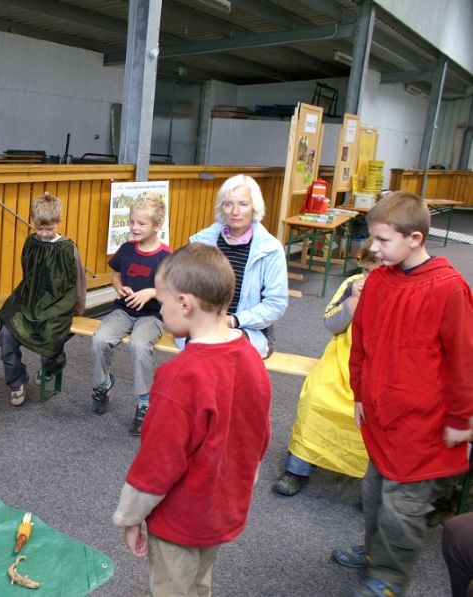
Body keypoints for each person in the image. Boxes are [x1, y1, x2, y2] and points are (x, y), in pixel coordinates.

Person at [332, 191, 473, 597]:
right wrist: (359, 393)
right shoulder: (377, 281)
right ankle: (377, 554)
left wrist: (461, 420)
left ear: (414, 238)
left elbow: (464, 361)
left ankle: (390, 578)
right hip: (381, 417)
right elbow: (362, 344)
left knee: (402, 508)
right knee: (374, 495)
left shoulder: (449, 289)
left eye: (382, 240)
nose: (372, 248)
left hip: (424, 425)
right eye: (372, 239)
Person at [112, 243, 271, 596]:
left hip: (180, 519)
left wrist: (131, 517)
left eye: (163, 301)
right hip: (222, 509)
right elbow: (258, 437)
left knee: (173, 588)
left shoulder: (180, 376)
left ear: (184, 304)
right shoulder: (251, 357)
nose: (161, 309)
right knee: (200, 583)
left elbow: (157, 463)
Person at [273, 239, 380, 496]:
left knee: (376, 417)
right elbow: (332, 324)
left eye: (377, 271)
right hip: (340, 362)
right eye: (366, 270)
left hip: (376, 369)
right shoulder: (350, 285)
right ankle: (297, 468)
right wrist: (354, 300)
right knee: (315, 399)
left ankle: (373, 482)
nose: (370, 277)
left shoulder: (401, 293)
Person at [91, 193, 170, 435]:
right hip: (123, 310)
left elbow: (172, 290)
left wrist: (151, 292)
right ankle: (103, 384)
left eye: (141, 223)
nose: (134, 227)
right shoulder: (126, 249)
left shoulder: (167, 256)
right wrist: (119, 287)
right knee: (99, 340)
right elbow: (115, 274)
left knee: (138, 345)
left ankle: (144, 403)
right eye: (132, 222)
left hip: (151, 316)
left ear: (157, 226)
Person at [0, 193, 86, 406]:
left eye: (49, 229)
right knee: (7, 327)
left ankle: (52, 366)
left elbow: (79, 280)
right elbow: (27, 273)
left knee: (51, 331)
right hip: (30, 297)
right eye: (39, 229)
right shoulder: (31, 242)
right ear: (33, 224)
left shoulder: (67, 248)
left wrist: (78, 307)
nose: (44, 234)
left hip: (58, 301)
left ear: (58, 223)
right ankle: (16, 381)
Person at [190, 174, 288, 359]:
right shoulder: (202, 241)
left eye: (243, 204)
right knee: (203, 347)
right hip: (203, 324)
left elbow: (275, 304)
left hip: (248, 329)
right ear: (222, 208)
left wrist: (233, 320)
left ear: (254, 208)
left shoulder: (270, 249)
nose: (235, 211)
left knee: (218, 348)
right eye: (228, 204)